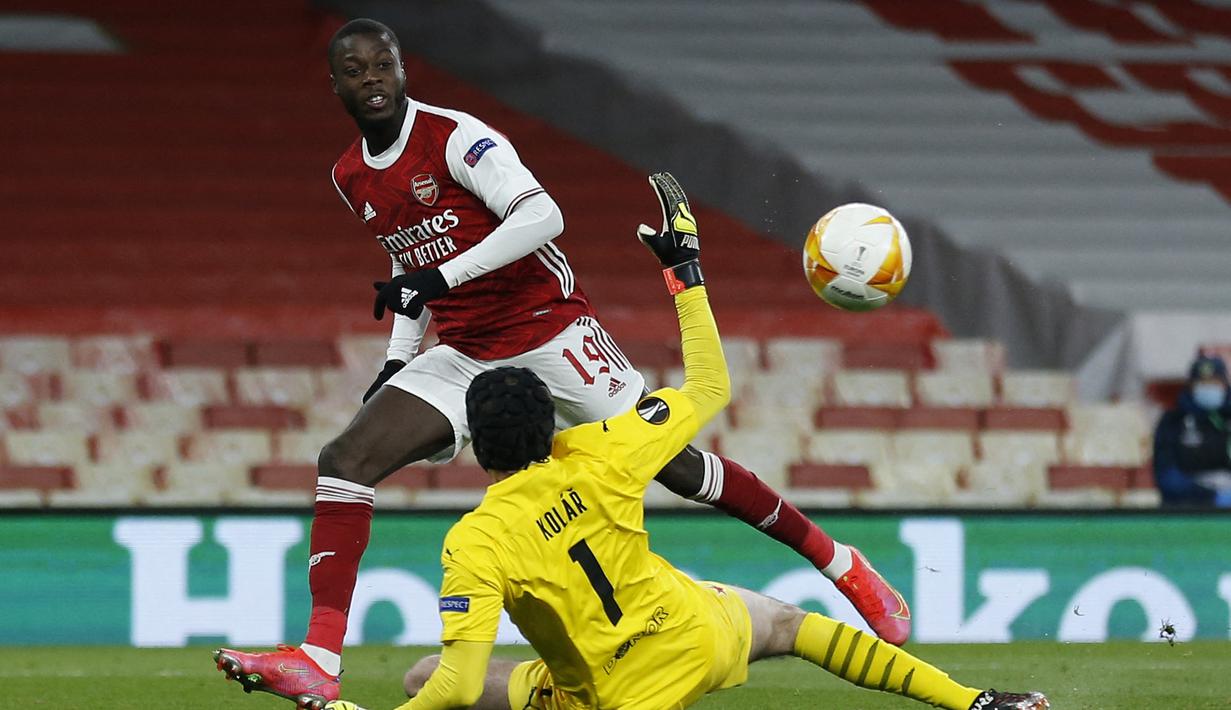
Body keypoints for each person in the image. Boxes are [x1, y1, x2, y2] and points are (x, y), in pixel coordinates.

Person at [214, 18, 908, 709]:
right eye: (356, 68)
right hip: (462, 351)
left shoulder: (456, 138)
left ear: (402, 71)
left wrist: (440, 280)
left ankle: (840, 563)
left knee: (676, 465)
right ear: (334, 82)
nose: (372, 78)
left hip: (551, 330)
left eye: (383, 65)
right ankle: (317, 658)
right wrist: (398, 358)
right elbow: (406, 252)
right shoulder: (349, 176)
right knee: (345, 460)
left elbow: (541, 216)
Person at [318, 185, 1050, 710]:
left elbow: (454, 683)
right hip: (693, 633)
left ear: (474, 447)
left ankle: (838, 563)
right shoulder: (610, 449)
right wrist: (683, 271)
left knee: (425, 677)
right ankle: (979, 704)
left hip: (608, 695)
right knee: (792, 628)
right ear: (554, 425)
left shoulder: (472, 542)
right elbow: (707, 383)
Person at [1153, 353, 1231, 507]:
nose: (1209, 388)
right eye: (1203, 383)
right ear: (1191, 387)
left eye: (1215, 382)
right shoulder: (1173, 421)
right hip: (1187, 510)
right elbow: (1166, 475)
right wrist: (1210, 497)